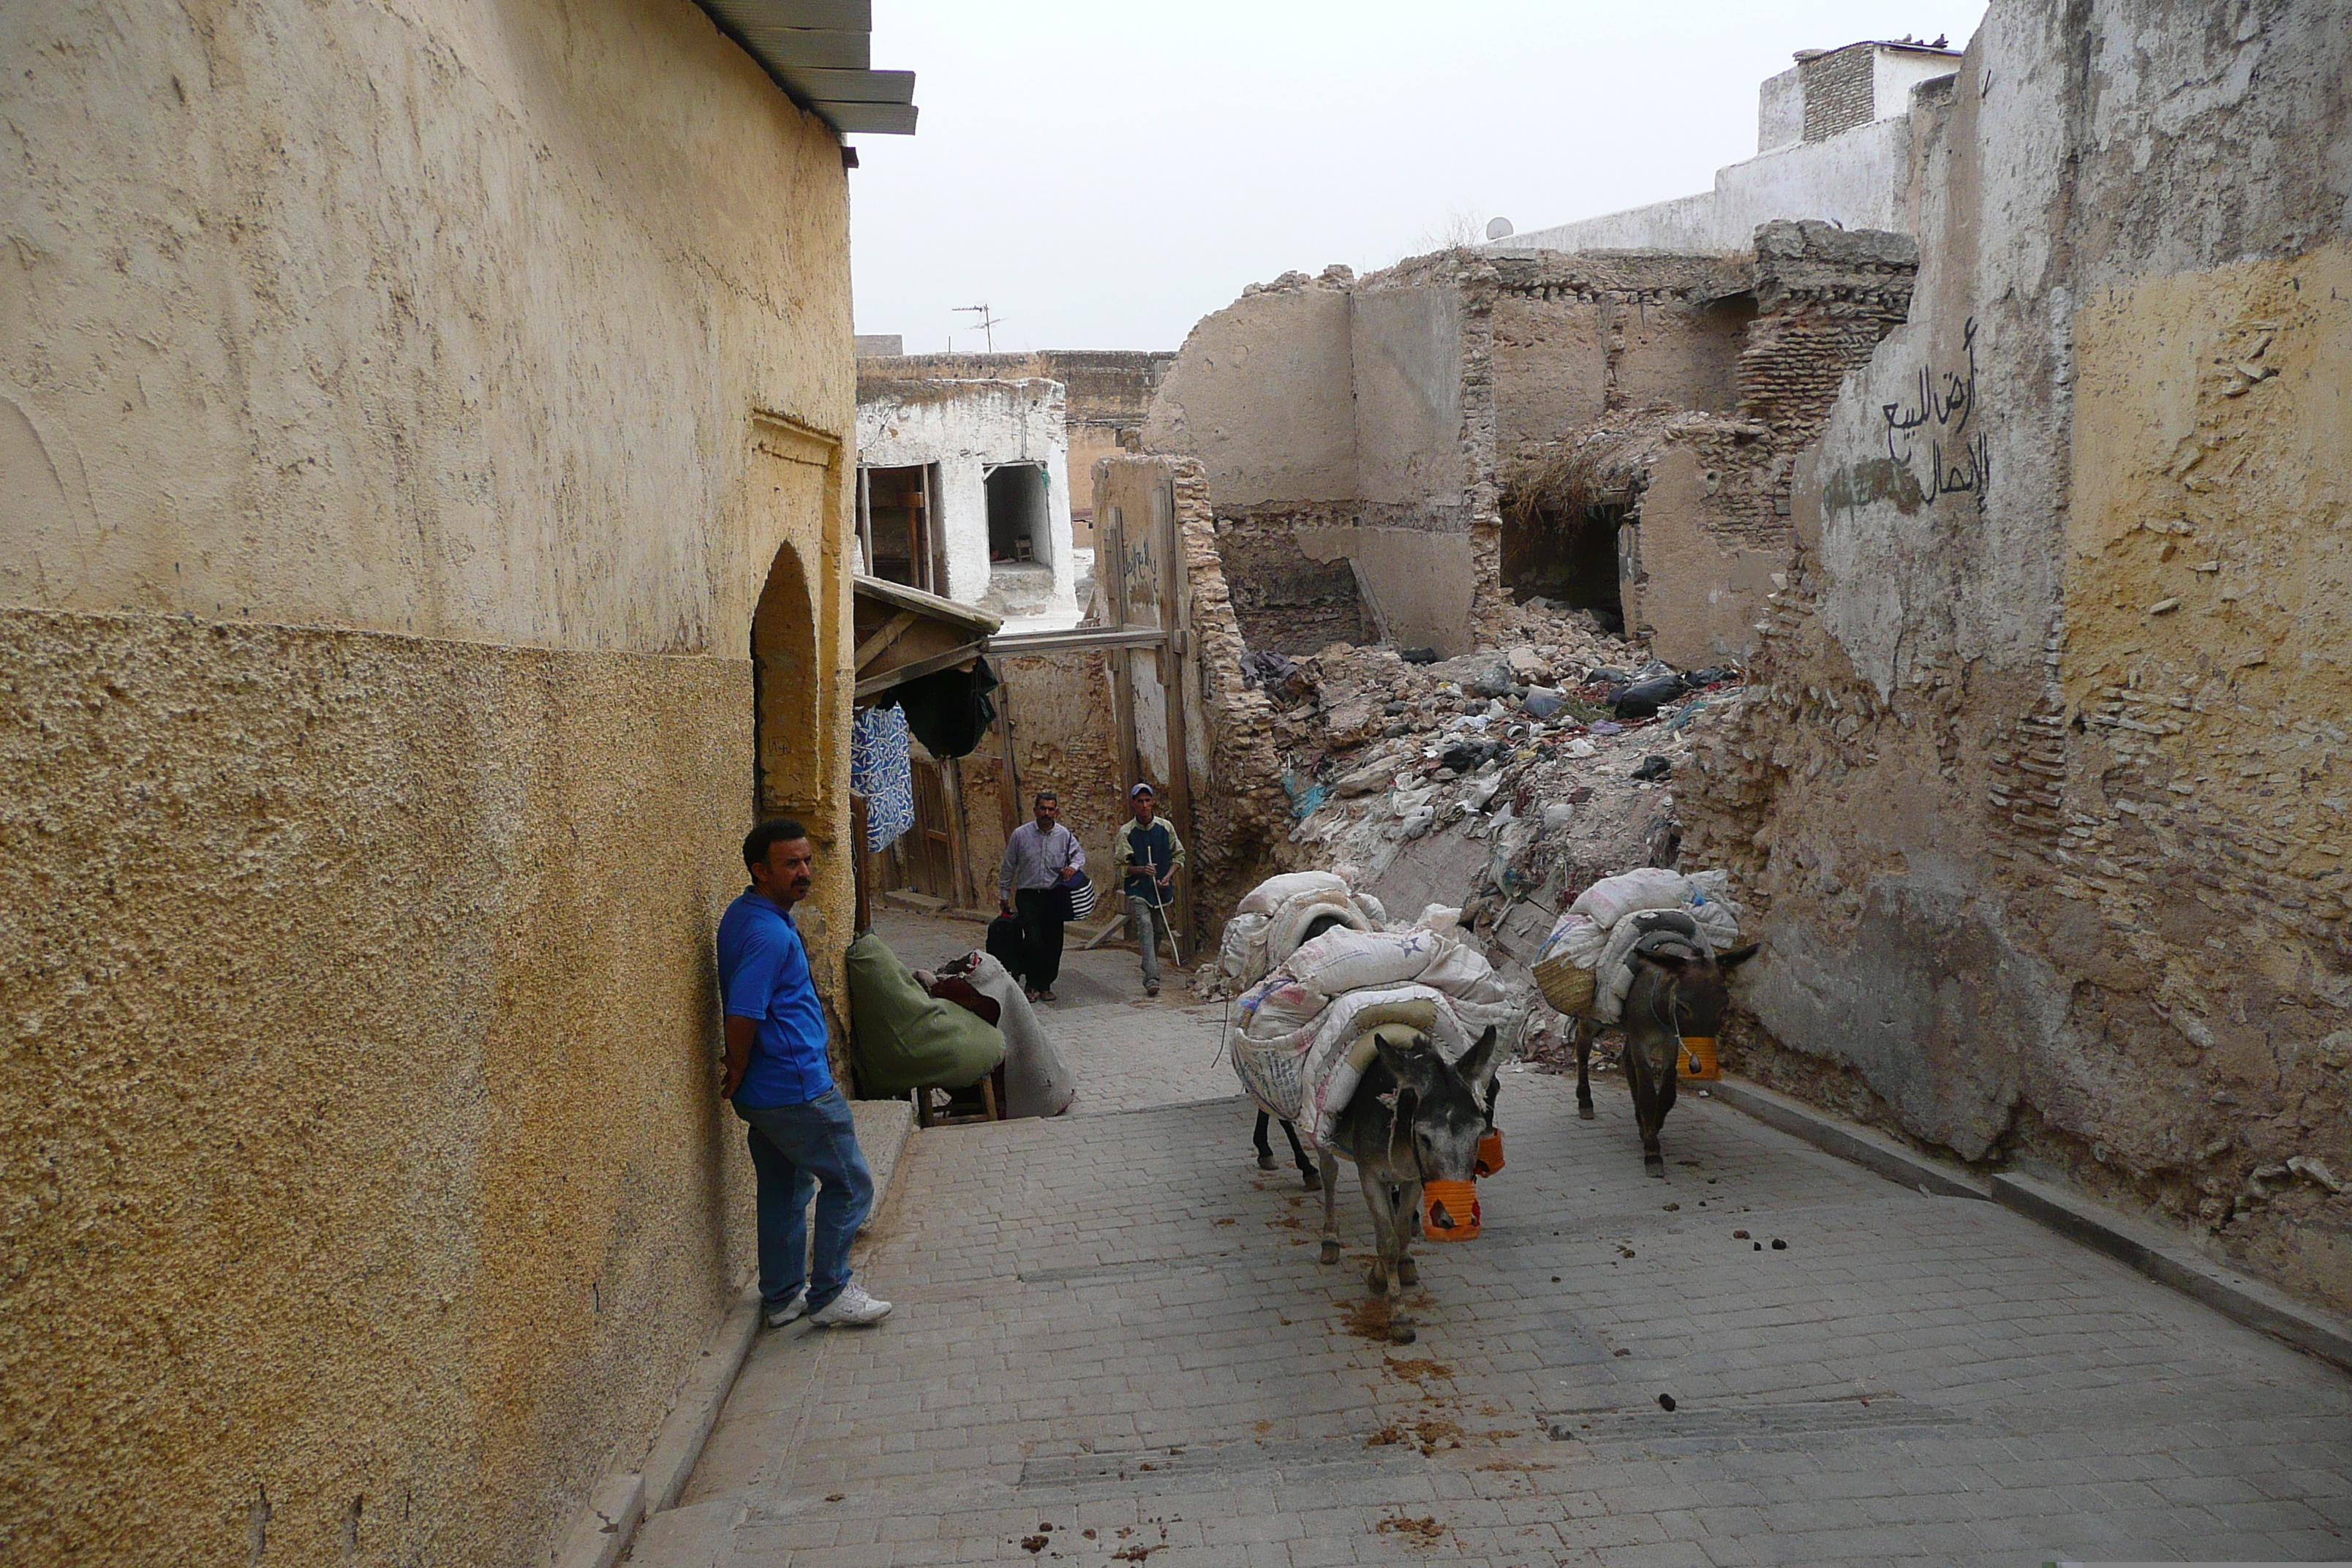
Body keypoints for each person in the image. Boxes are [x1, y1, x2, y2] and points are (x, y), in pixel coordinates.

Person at [717, 819, 893, 1330]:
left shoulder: (746, 913)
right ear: (759, 869)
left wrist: (743, 1073)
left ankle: (782, 1297)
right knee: (851, 1183)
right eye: (790, 864)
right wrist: (738, 1064)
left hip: (768, 1090)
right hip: (795, 1088)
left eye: (807, 861)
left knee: (785, 1188)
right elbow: (744, 1011)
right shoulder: (768, 932)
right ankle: (831, 1291)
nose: (803, 872)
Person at [998, 790, 1085, 1003]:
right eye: (1043, 808)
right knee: (1033, 941)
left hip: (1054, 896)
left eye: (1051, 809)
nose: (1047, 813)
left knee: (1054, 943)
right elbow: (1009, 865)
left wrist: (1072, 867)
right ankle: (1032, 984)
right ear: (1035, 810)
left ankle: (1046, 985)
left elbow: (1079, 855)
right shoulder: (1021, 835)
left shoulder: (1064, 835)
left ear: (1057, 811)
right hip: (1028, 896)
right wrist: (1004, 894)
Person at [1109, 783, 1186, 997]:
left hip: (1161, 890)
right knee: (1145, 926)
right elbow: (1121, 867)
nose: (1144, 805)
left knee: (1158, 929)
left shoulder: (1165, 828)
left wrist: (1168, 876)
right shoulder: (1127, 832)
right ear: (1134, 803)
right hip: (1138, 889)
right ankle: (1152, 978)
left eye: (1147, 800)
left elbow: (1179, 856)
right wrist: (1142, 869)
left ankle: (1147, 963)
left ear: (1152, 802)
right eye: (1140, 801)